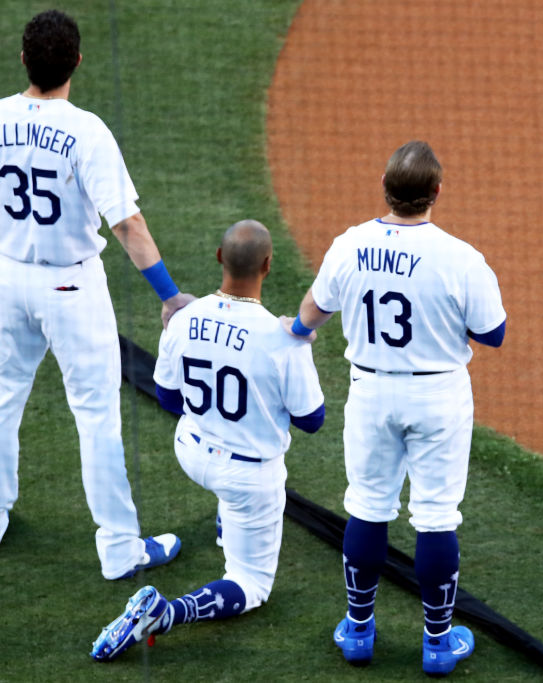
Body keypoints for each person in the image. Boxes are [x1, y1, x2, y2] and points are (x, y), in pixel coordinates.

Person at [0, 9, 194, 579]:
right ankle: (118, 548)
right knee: (97, 417)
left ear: (23, 60)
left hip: (6, 279)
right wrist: (169, 294)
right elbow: (127, 225)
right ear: (77, 62)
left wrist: (20, 227)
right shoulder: (87, 131)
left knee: (1, 398)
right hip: (71, 286)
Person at [285, 141, 506, 676]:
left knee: (367, 506)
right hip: (438, 397)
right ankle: (437, 643)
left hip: (371, 394)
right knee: (435, 516)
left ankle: (359, 632)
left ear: (385, 188)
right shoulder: (459, 257)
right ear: (435, 193)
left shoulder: (350, 244)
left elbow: (311, 312)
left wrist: (295, 333)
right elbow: (493, 333)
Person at [90, 219, 326, 662]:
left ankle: (226, 522)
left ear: (219, 258)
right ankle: (164, 614)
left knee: (223, 455)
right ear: (269, 265)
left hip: (191, 452)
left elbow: (166, 396)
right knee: (251, 585)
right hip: (246, 478)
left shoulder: (183, 317)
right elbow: (312, 420)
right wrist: (297, 346)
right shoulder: (282, 338)